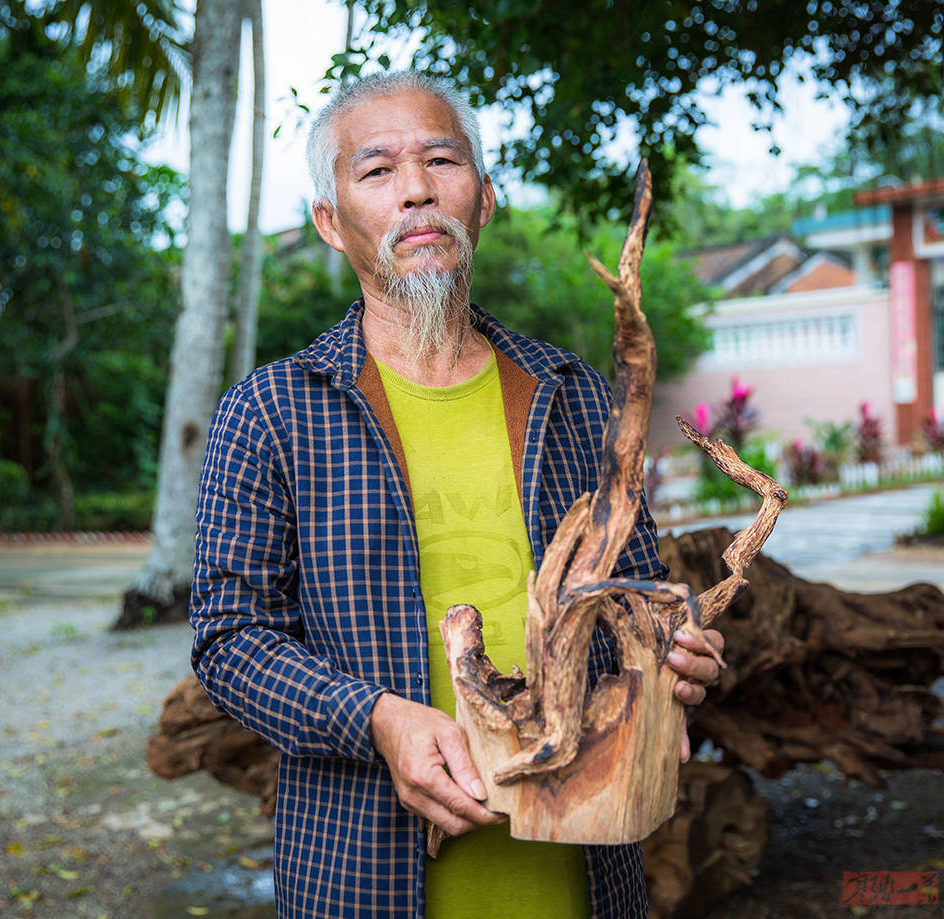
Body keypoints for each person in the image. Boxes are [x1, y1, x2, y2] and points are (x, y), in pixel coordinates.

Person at [189, 71, 723, 919]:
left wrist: (676, 653)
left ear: (483, 200)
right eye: (376, 171)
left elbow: (640, 587)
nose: (416, 191)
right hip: (358, 876)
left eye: (443, 160)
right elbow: (228, 638)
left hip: (587, 873)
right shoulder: (272, 411)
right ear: (331, 222)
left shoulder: (573, 392)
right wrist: (375, 720)